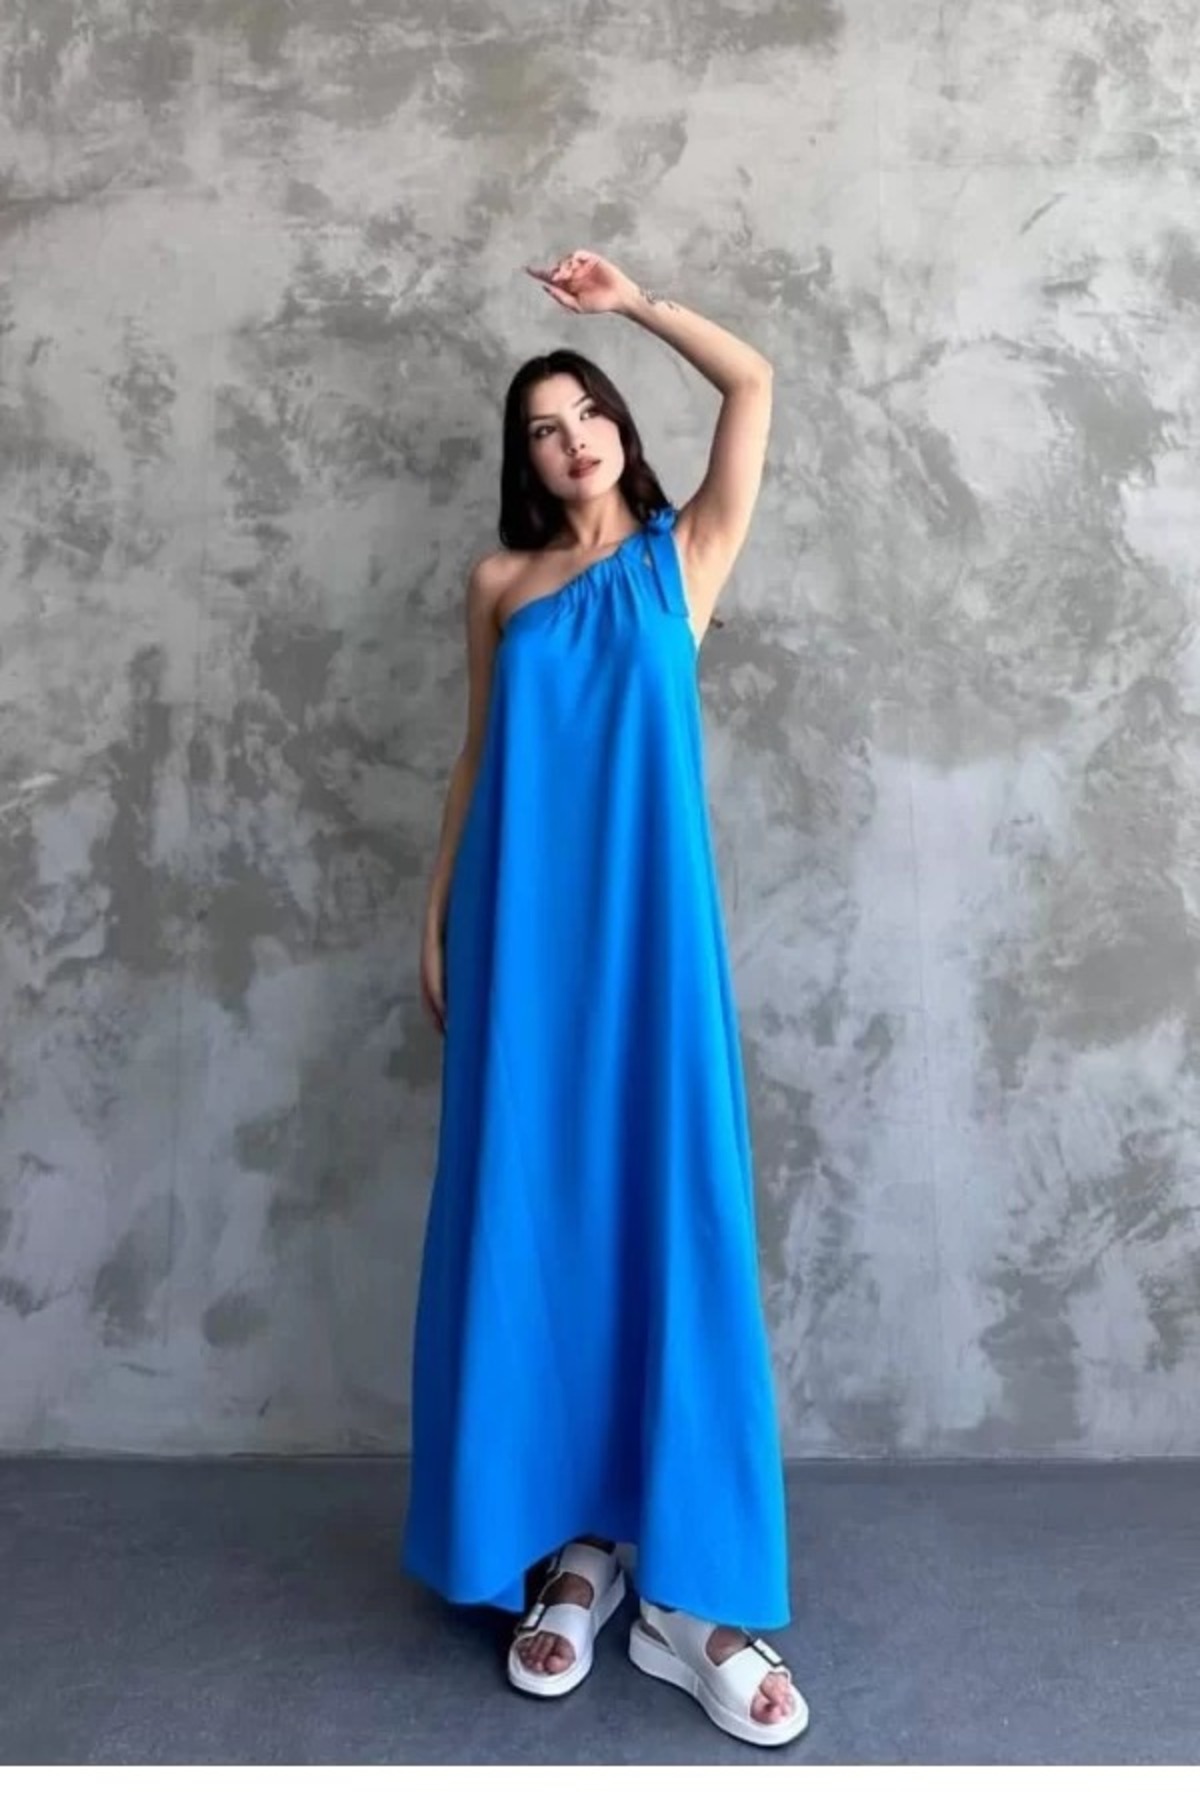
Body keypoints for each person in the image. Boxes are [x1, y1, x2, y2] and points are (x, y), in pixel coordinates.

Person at [402, 249, 808, 1750]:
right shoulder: (499, 585)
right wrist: (437, 915)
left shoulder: (683, 556)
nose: (570, 441)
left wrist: (633, 304)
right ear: (522, 461)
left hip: (651, 943)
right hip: (521, 939)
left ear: (622, 430)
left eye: (588, 416)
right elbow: (475, 758)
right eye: (542, 429)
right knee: (530, 1223)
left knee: (668, 1210)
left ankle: (690, 1595)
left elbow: (753, 381)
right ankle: (573, 1550)